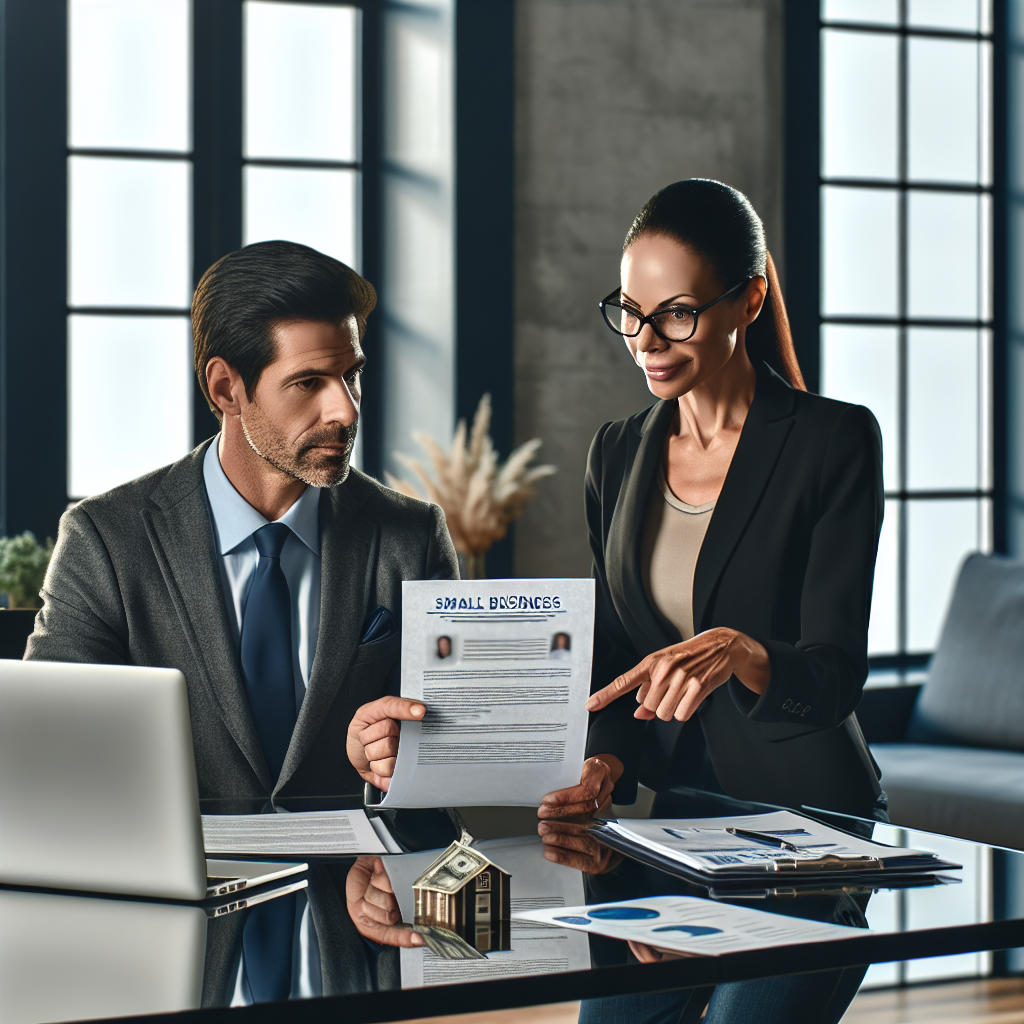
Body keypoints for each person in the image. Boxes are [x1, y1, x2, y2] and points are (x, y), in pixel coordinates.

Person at [537, 179, 885, 1024]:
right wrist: (605, 761)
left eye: (677, 313)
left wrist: (743, 651)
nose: (646, 340)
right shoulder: (617, 453)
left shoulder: (833, 441)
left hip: (810, 825)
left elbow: (834, 676)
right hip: (675, 824)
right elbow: (620, 655)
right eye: (630, 310)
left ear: (749, 299)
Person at [25, 240, 458, 803]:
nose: (347, 409)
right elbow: (47, 751)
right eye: (310, 383)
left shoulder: (412, 537)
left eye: (352, 375)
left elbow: (446, 762)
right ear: (226, 388)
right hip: (180, 881)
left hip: (353, 883)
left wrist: (396, 763)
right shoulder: (106, 540)